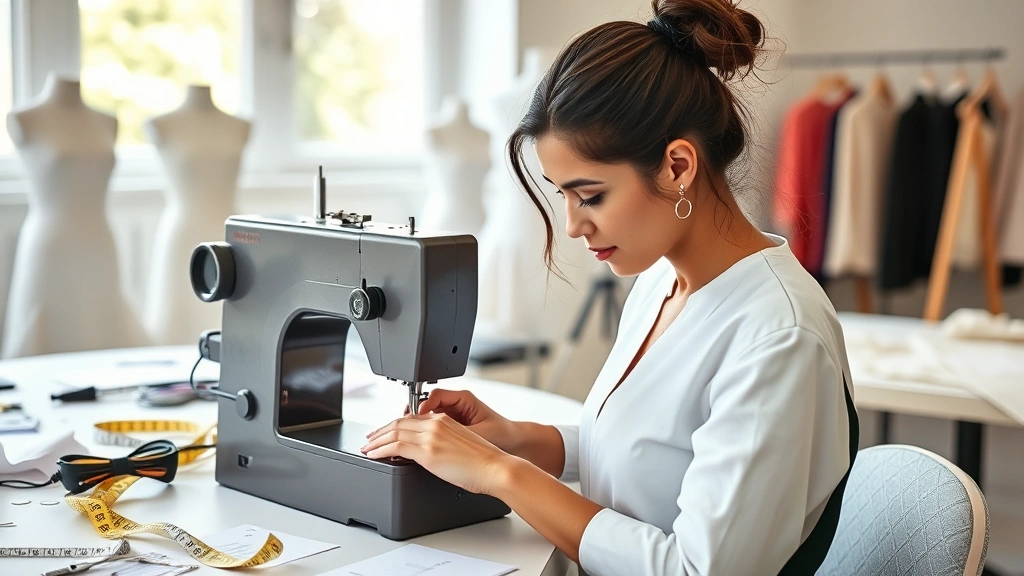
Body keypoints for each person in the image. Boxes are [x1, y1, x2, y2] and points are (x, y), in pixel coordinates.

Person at [361, 0, 859, 574]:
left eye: (591, 195)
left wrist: (501, 474)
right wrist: (514, 440)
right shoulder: (661, 282)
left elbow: (697, 569)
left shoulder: (777, 337)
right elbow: (652, 454)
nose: (573, 225)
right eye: (563, 196)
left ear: (676, 167)